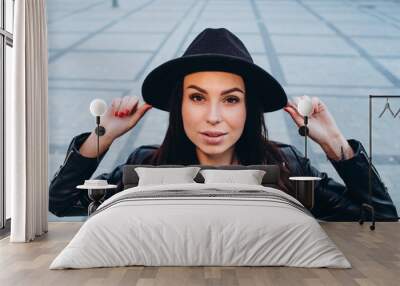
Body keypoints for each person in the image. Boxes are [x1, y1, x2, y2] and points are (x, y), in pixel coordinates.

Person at [49, 28, 398, 221]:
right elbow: (61, 202)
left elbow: (380, 217)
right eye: (198, 97)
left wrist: (335, 142)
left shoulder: (286, 165)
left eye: (230, 99)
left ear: (248, 109)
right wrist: (102, 135)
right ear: (179, 106)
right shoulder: (144, 166)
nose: (213, 116)